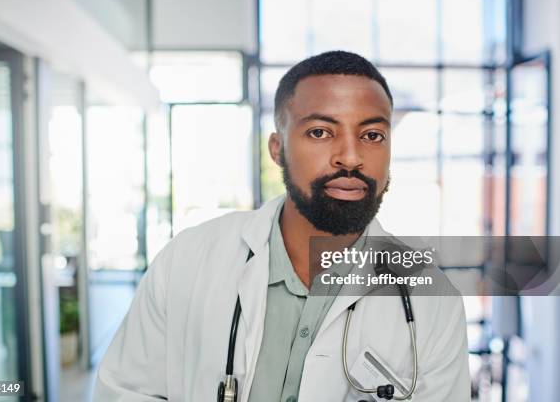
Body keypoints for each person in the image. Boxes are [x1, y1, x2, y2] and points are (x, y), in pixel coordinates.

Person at [94, 51, 470, 401]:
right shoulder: (188, 260)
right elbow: (127, 392)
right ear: (277, 149)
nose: (351, 157)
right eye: (321, 132)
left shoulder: (433, 300)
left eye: (372, 135)